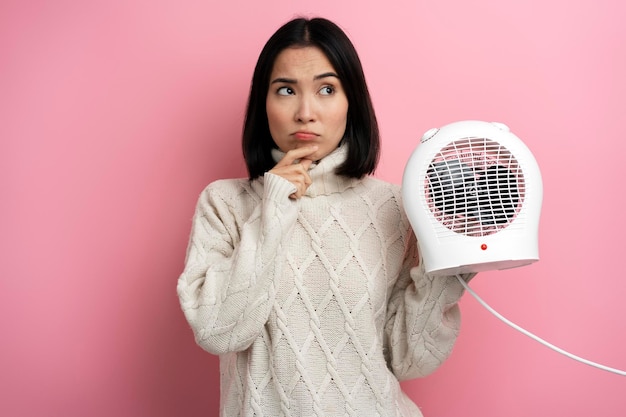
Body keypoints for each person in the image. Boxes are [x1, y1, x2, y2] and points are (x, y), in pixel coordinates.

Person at [177, 16, 473, 417]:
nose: (305, 112)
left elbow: (409, 360)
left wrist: (450, 264)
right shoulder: (224, 204)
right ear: (263, 103)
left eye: (327, 89)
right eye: (285, 90)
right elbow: (218, 330)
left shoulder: (393, 206)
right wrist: (273, 208)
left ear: (351, 102)